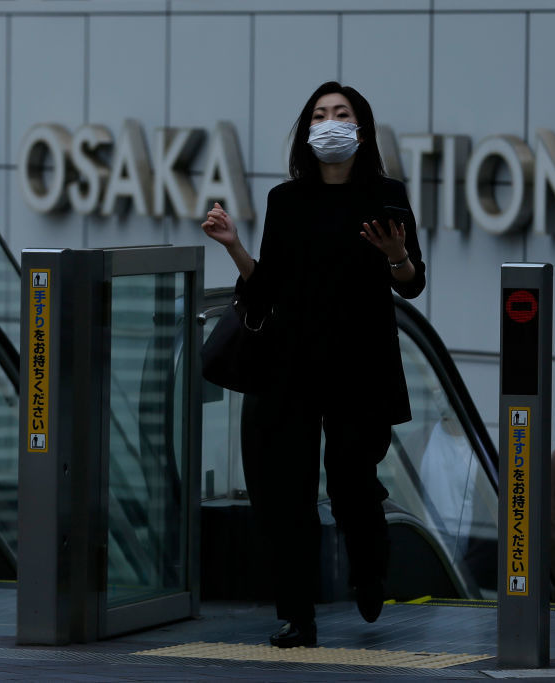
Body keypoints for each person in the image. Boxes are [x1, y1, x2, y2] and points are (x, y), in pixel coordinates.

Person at [200, 81, 425, 648]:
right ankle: (297, 616)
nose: (330, 123)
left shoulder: (386, 196)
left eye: (341, 113)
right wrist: (233, 245)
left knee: (351, 480)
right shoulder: (287, 200)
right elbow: (266, 288)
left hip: (360, 367)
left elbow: (414, 281)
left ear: (361, 127)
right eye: (320, 114)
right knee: (286, 494)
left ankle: (369, 566)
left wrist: (396, 256)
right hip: (289, 365)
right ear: (306, 130)